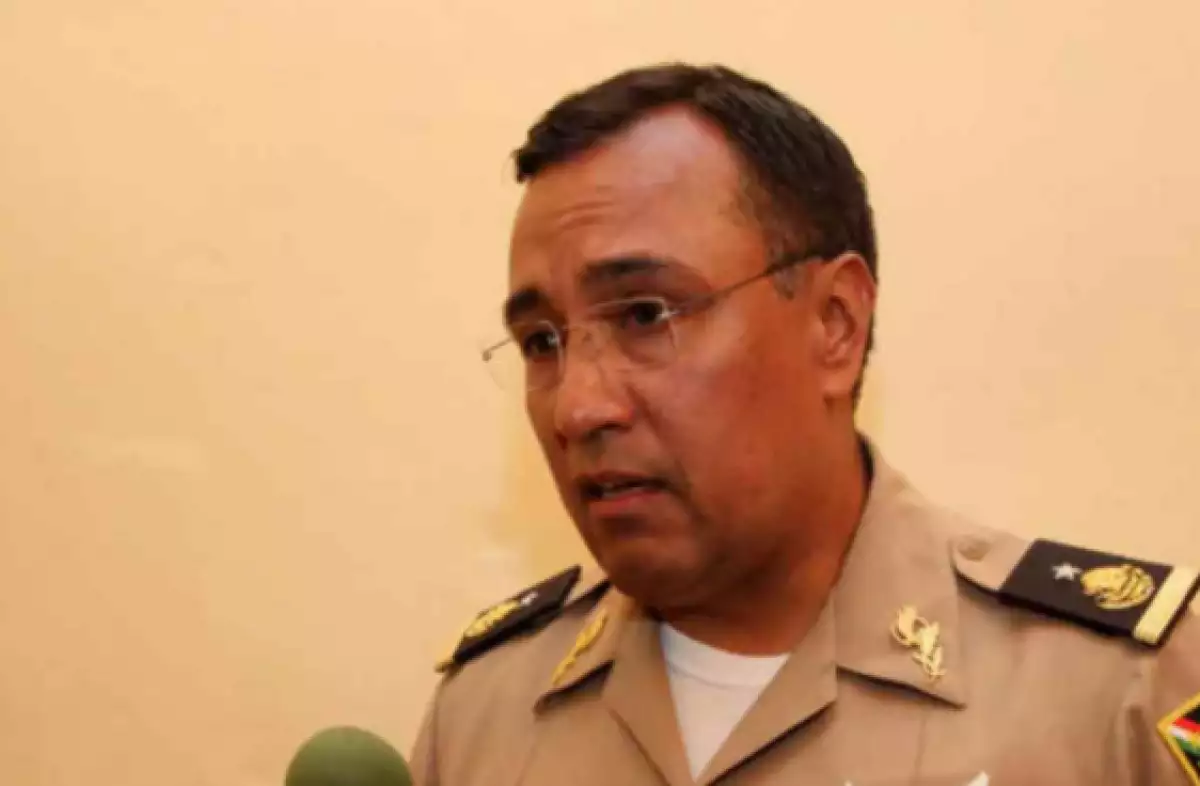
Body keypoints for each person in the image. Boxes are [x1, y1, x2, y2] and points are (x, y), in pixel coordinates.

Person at [410, 63, 1200, 785]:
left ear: (835, 325)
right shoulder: (483, 718)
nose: (578, 406)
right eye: (540, 343)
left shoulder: (1117, 698)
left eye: (646, 315)